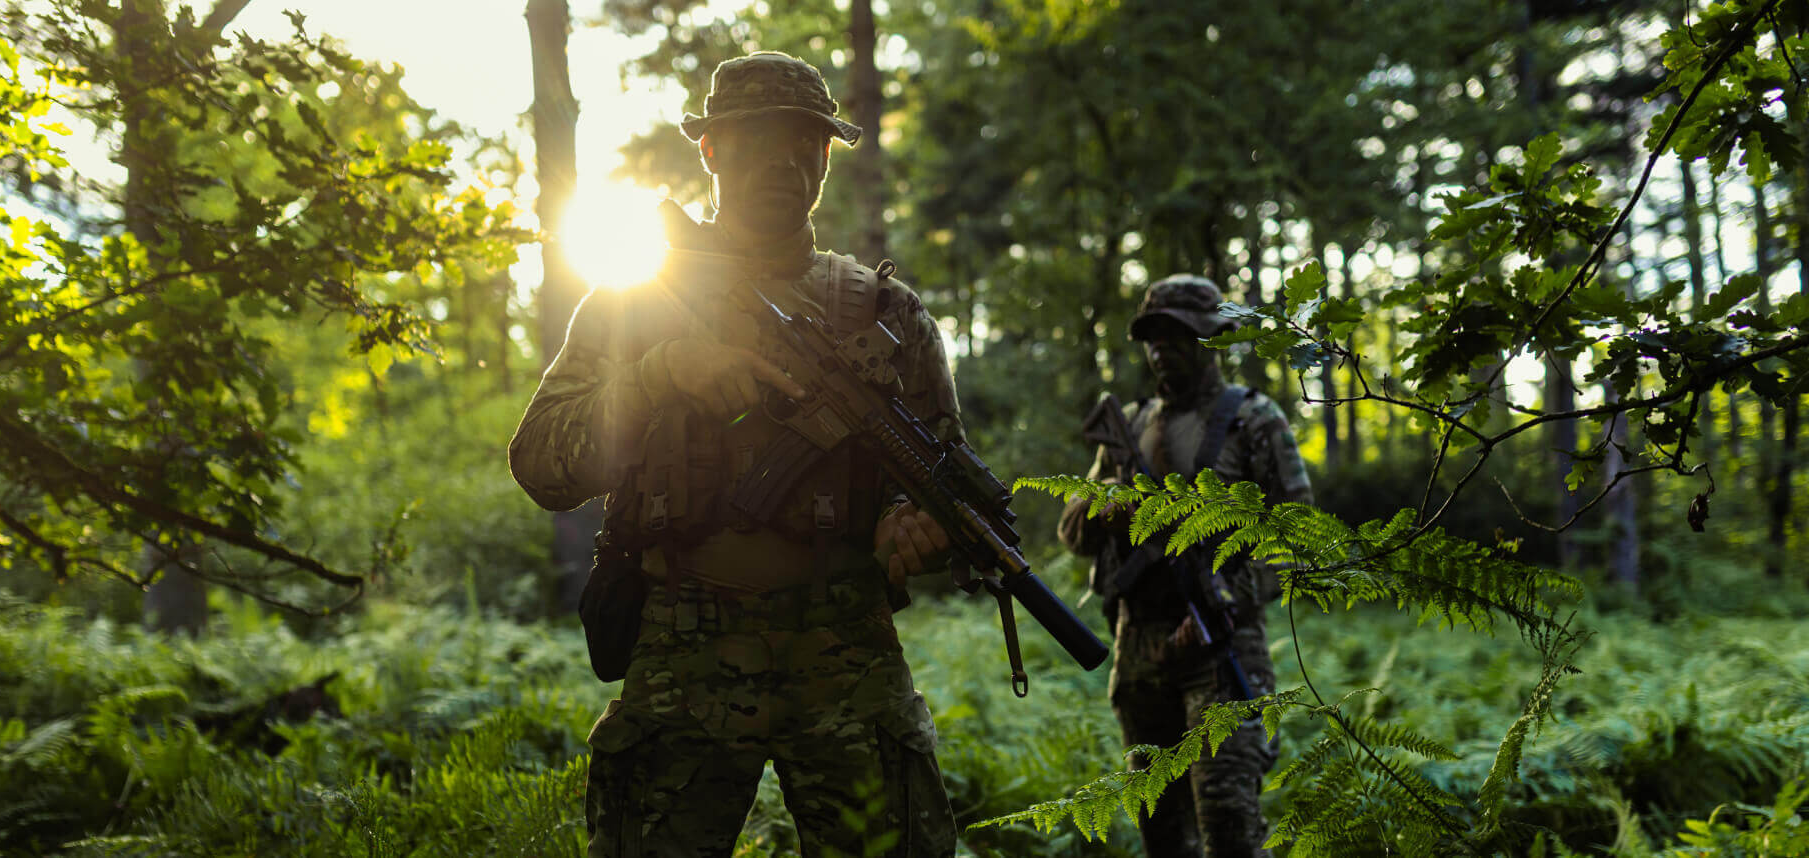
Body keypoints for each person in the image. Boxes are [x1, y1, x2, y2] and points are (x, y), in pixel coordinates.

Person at [509, 51, 960, 858]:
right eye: (757, 140)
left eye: (806, 143)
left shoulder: (886, 318)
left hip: (846, 648)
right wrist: (660, 374)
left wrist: (911, 525)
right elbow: (543, 464)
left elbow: (941, 481)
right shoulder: (636, 301)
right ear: (713, 150)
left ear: (826, 156)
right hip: (686, 637)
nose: (785, 161)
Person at [1056, 275, 1314, 858]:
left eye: (1178, 335)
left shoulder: (1253, 419)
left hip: (1221, 651)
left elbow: (1298, 535)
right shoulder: (1127, 426)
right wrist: (1107, 509)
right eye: (1151, 336)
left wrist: (1227, 598)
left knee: (1229, 828)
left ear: (1216, 338)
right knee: (1161, 835)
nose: (1160, 349)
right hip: (1140, 647)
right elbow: (1072, 533)